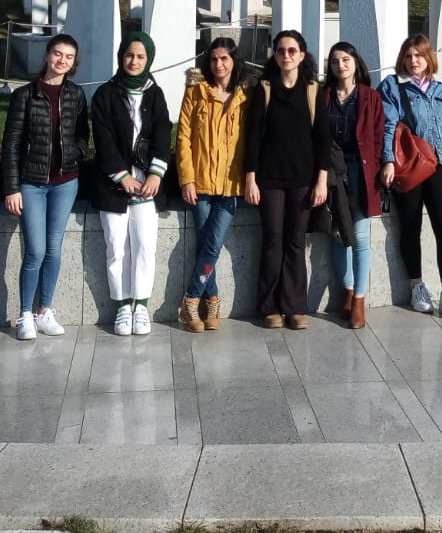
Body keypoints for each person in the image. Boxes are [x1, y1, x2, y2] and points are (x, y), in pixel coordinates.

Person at [0, 33, 87, 341]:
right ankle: (24, 313)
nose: (61, 60)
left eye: (68, 57)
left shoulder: (75, 94)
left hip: (65, 183)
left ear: (74, 63)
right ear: (47, 55)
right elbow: (10, 144)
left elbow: (81, 135)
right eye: (57, 54)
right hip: (32, 183)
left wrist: (75, 153)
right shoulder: (25, 95)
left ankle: (44, 310)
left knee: (53, 248)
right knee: (35, 251)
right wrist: (12, 188)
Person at [244, 30, 331, 329]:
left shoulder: (312, 90)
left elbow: (322, 139)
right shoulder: (264, 89)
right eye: (281, 50)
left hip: (302, 179)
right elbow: (253, 137)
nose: (286, 56)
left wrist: (321, 180)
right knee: (272, 241)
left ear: (302, 55)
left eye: (292, 51)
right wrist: (250, 178)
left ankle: (295, 306)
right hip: (269, 178)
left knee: (295, 242)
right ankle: (269, 306)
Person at [89, 32, 173, 336]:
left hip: (147, 185)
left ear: (148, 58)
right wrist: (121, 176)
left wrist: (155, 174)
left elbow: (164, 134)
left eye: (140, 56)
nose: (134, 61)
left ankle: (142, 305)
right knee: (116, 247)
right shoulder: (105, 94)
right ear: (121, 57)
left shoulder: (155, 93)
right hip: (114, 186)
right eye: (129, 55)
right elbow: (103, 139)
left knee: (145, 246)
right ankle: (123, 305)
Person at [380, 34, 442, 318]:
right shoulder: (392, 86)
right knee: (410, 226)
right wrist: (389, 161)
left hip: (440, 163)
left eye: (419, 55)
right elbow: (389, 125)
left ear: (429, 58)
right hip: (410, 164)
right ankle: (416, 285)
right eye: (408, 55)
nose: (413, 61)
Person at [174, 37, 249, 332]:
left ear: (234, 61)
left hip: (231, 185)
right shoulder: (196, 91)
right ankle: (213, 298)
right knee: (208, 245)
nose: (219, 64)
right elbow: (182, 137)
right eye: (215, 59)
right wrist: (187, 179)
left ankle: (192, 298)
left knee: (213, 243)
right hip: (201, 183)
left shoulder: (246, 95)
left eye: (224, 59)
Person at [324, 41, 385, 329]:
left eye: (346, 60)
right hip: (333, 171)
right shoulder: (324, 96)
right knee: (337, 233)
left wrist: (380, 166)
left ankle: (359, 300)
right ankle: (347, 290)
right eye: (336, 61)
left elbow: (378, 135)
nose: (341, 66)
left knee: (359, 236)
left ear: (355, 63)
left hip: (361, 171)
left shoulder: (370, 97)